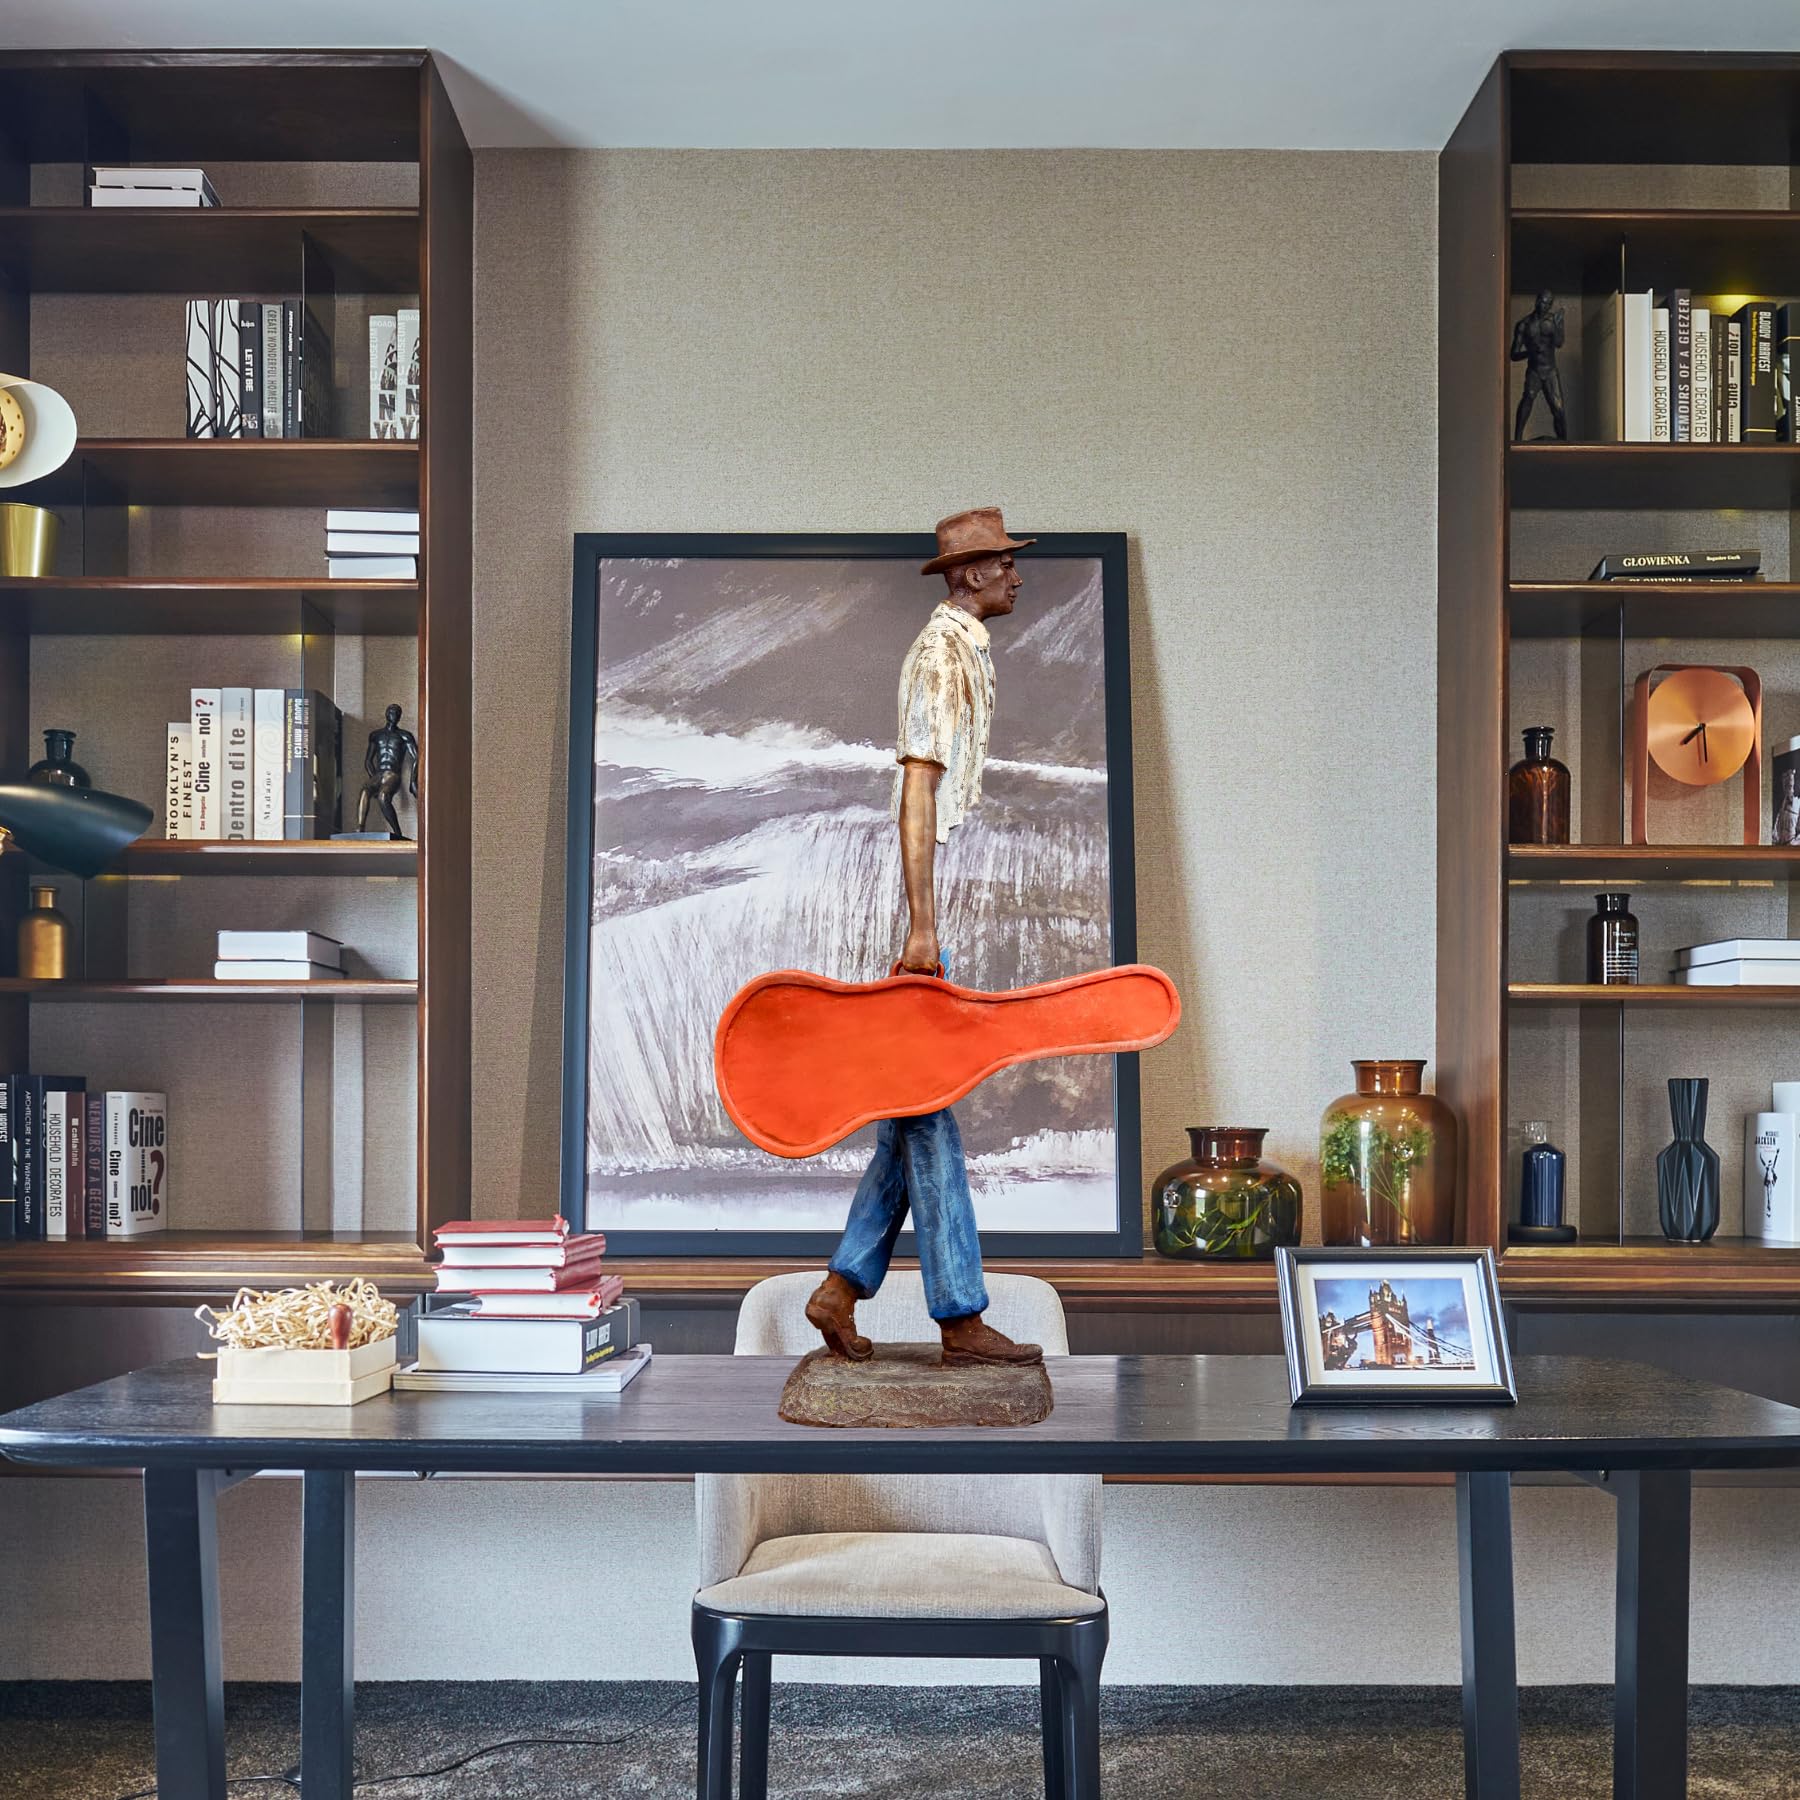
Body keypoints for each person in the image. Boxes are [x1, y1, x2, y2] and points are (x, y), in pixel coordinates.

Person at [804, 508, 1045, 1368]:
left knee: (912, 1113)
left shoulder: (962, 648)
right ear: (971, 574)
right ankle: (959, 1314)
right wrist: (923, 928)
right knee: (932, 1113)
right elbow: (919, 794)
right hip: (919, 918)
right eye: (1006, 566)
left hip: (927, 909)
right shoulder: (942, 656)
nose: (1017, 577)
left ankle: (842, 1286)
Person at [356, 704, 420, 839]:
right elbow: (368, 760)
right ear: (386, 713)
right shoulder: (375, 735)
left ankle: (397, 831)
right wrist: (374, 779)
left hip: (393, 774)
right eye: (391, 711)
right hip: (379, 773)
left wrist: (412, 781)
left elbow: (417, 758)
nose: (394, 714)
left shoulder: (404, 736)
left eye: (397, 712)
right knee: (365, 790)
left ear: (400, 716)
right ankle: (360, 828)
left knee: (383, 796)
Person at [1511, 290, 1567, 441]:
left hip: (1550, 371)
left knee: (1558, 408)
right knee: (1527, 399)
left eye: (1548, 304)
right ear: (1536, 301)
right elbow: (1513, 355)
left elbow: (1559, 343)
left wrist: (1558, 325)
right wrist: (1529, 353)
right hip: (1534, 370)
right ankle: (1517, 439)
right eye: (1542, 302)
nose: (1545, 306)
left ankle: (1564, 442)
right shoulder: (1524, 325)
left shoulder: (1552, 321)